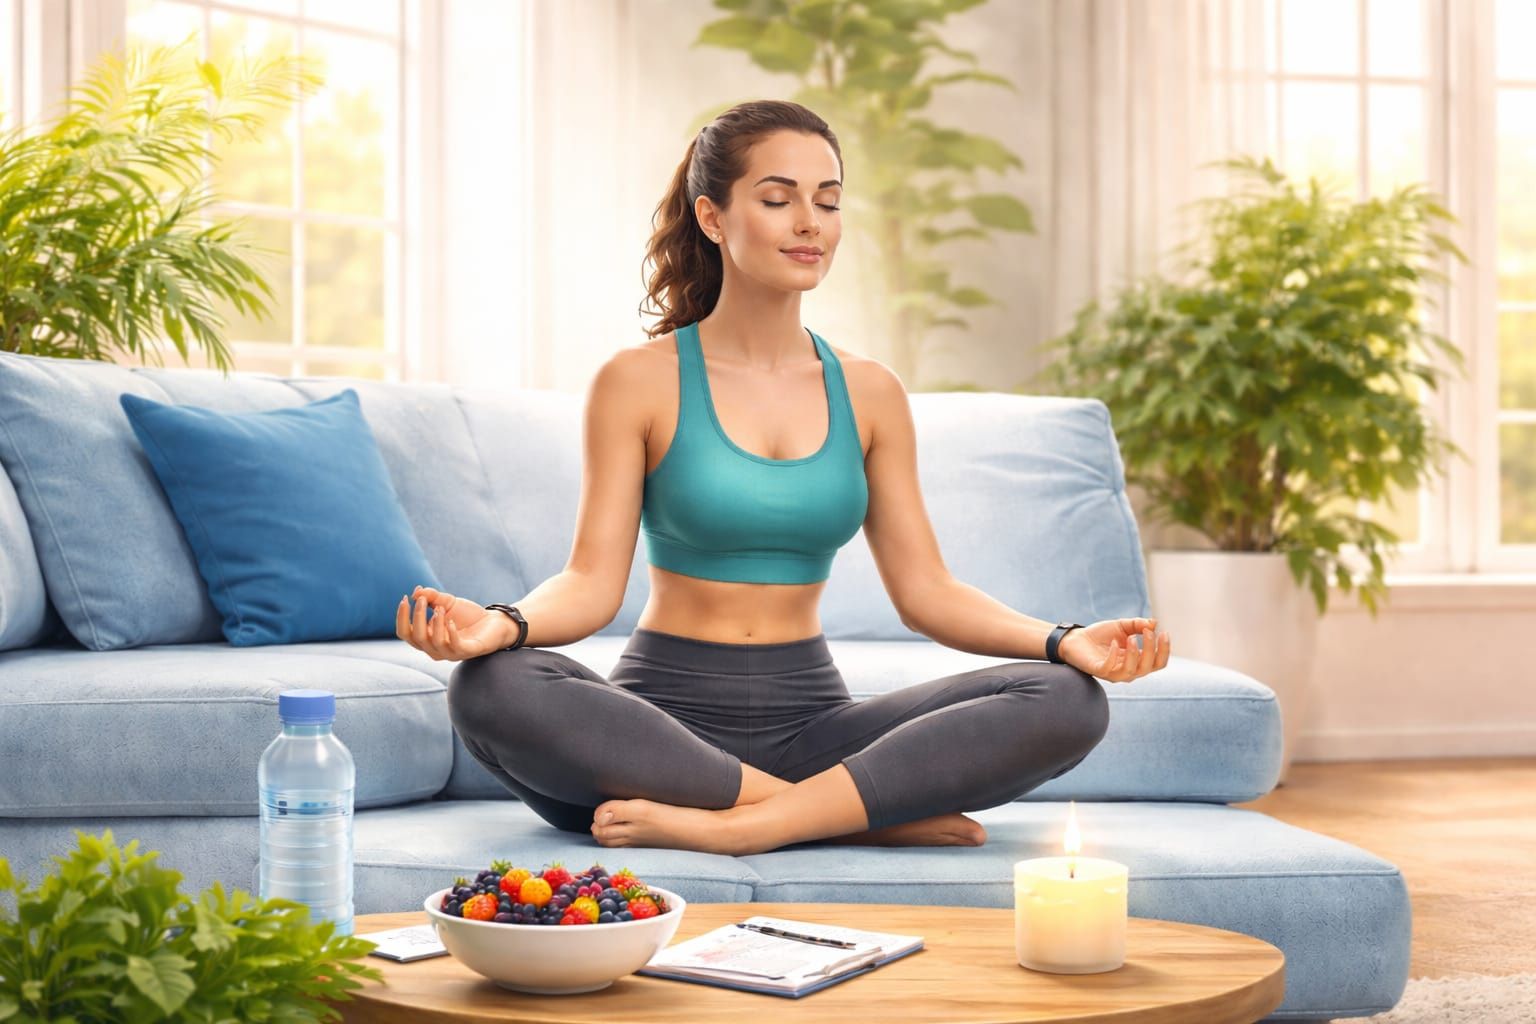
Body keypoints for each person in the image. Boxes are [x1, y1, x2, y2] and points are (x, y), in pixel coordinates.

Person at [397, 99, 1171, 857]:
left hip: (813, 728)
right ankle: (847, 814)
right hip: (653, 735)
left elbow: (927, 591)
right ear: (713, 217)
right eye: (778, 199)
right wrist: (501, 626)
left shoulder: (869, 392)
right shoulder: (639, 380)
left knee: (1067, 700)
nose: (810, 224)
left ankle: (745, 821)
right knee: (490, 687)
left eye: (828, 202)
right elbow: (591, 583)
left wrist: (1065, 641)